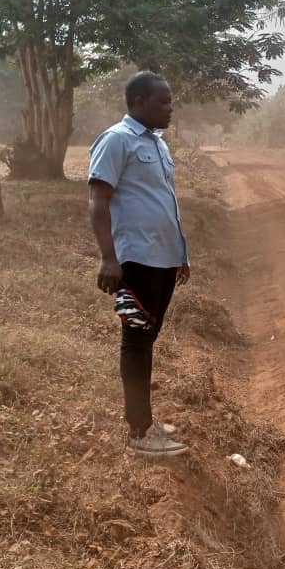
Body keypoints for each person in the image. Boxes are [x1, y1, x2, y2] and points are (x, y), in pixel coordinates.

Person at [87, 71, 191, 456]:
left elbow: (164, 201)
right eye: (162, 101)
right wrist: (108, 257)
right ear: (138, 103)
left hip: (163, 257)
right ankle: (139, 433)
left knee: (147, 339)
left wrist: (181, 255)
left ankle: (143, 418)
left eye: (170, 101)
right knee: (136, 340)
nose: (170, 108)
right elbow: (99, 201)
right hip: (136, 258)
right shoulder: (117, 140)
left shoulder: (158, 144)